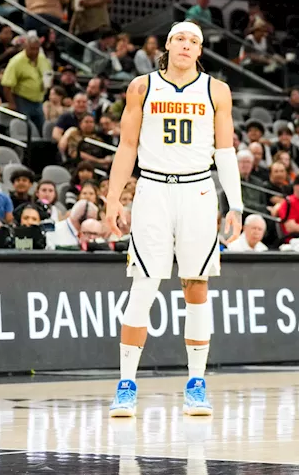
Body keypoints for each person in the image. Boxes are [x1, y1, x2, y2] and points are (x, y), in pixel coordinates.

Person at [104, 21, 242, 417]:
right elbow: (127, 145)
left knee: (196, 287)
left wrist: (235, 203)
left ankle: (196, 383)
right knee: (143, 286)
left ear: (201, 50)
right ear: (167, 45)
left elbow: (225, 150)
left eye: (194, 41)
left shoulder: (216, 90)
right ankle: (126, 384)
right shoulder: (142, 87)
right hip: (152, 190)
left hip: (198, 190)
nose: (186, 45)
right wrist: (114, 198)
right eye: (180, 38)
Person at [0, 32, 52, 132]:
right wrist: (12, 103)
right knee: (27, 129)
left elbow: (48, 73)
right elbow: (6, 85)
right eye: (32, 49)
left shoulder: (42, 58)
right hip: (22, 100)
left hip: (39, 100)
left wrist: (48, 83)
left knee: (42, 129)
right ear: (25, 47)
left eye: (37, 49)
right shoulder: (16, 61)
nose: (35, 52)